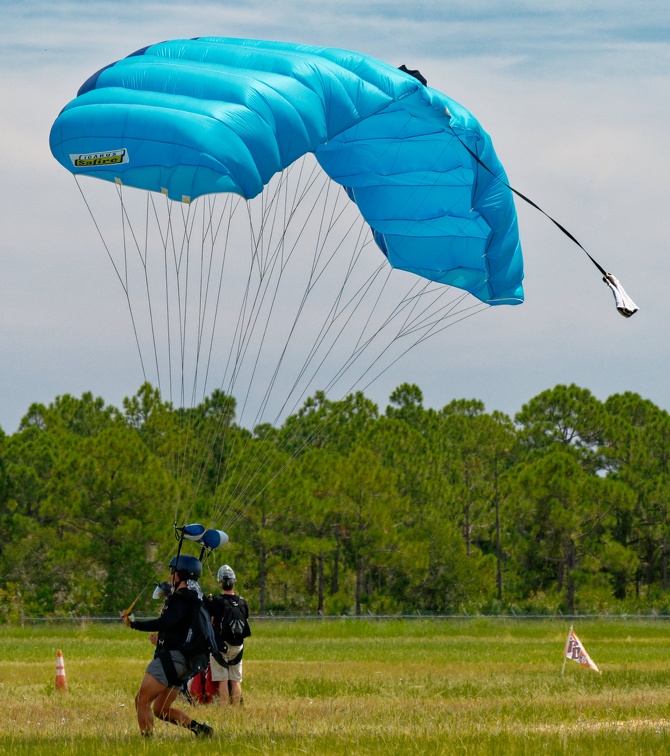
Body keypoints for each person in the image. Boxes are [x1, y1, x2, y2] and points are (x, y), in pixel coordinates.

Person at [122, 554, 213, 737]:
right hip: (185, 663)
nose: (170, 576)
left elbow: (164, 622)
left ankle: (147, 744)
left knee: (142, 700)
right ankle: (201, 730)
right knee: (161, 710)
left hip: (172, 659)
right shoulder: (194, 598)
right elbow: (177, 626)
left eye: (173, 572)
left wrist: (135, 623)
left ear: (182, 575)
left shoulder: (180, 598)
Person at [204, 564, 251, 706]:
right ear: (233, 582)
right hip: (238, 646)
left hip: (221, 645)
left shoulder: (217, 602)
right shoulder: (243, 602)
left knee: (222, 678)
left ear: (221, 583)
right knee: (235, 679)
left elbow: (212, 622)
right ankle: (236, 708)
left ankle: (224, 707)